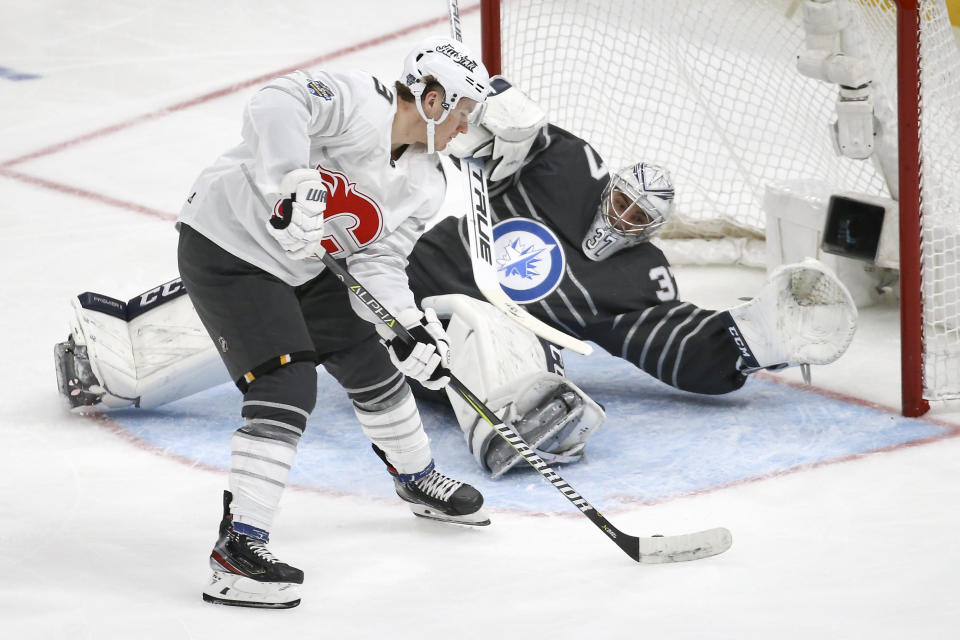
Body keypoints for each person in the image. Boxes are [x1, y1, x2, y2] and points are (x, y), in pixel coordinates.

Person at [55, 79, 856, 481]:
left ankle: (519, 412)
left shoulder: (635, 281)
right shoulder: (566, 167)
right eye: (618, 198)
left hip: (439, 326)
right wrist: (497, 117)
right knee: (274, 294)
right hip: (390, 262)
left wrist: (749, 338)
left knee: (492, 330)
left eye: (636, 215)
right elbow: (491, 131)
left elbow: (666, 342)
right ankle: (117, 355)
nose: (617, 216)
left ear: (653, 231)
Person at [118, 35, 493, 610]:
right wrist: (289, 181)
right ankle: (236, 552)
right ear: (433, 99)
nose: (467, 123)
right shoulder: (358, 102)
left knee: (371, 361)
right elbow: (275, 103)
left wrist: (408, 328)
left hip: (306, 263)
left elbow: (378, 262)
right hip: (229, 246)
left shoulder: (429, 181)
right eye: (464, 108)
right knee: (286, 382)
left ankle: (416, 478)